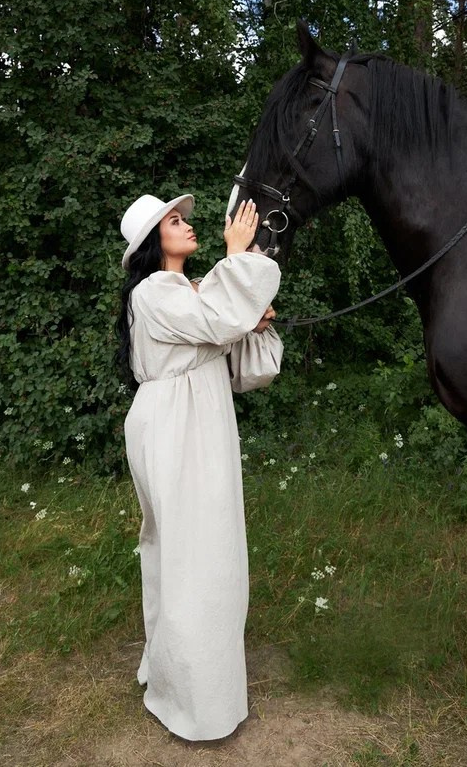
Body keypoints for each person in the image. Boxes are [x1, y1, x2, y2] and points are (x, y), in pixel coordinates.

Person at [117, 191, 282, 741]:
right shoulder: (154, 290)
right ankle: (192, 699)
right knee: (193, 553)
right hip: (173, 425)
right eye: (174, 220)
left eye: (184, 218)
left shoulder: (193, 291)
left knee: (209, 549)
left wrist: (254, 325)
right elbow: (217, 316)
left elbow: (247, 368)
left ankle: (191, 678)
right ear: (152, 240)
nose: (188, 224)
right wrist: (237, 261)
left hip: (202, 421)